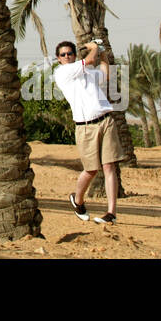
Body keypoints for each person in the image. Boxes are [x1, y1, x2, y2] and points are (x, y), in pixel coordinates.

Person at [52, 39, 123, 224]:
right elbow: (90, 60)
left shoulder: (88, 73)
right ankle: (78, 200)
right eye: (63, 55)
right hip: (85, 127)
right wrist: (94, 49)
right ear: (58, 59)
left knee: (109, 166)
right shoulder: (62, 72)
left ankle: (111, 213)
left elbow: (105, 74)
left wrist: (103, 54)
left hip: (105, 121)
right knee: (91, 170)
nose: (67, 57)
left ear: (75, 55)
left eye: (70, 53)